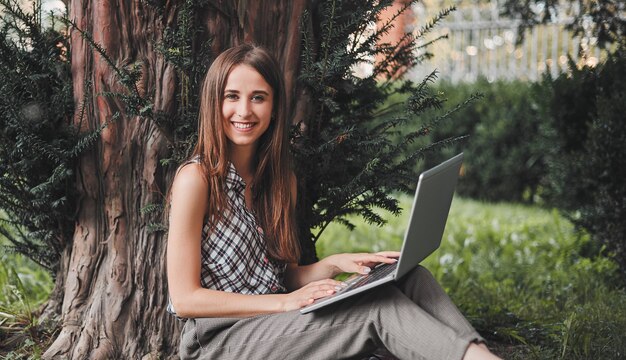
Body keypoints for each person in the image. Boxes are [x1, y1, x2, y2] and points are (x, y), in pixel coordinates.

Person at [166, 43, 501, 360]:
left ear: (273, 107)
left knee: (411, 277)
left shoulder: (281, 183)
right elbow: (185, 299)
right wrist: (284, 305)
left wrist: (336, 264)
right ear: (214, 103)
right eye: (232, 96)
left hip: (275, 323)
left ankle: (478, 353)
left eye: (258, 97)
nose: (244, 111)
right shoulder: (197, 181)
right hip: (219, 341)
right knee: (376, 310)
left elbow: (283, 277)